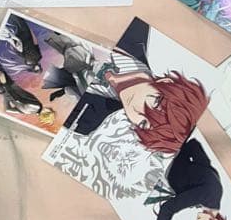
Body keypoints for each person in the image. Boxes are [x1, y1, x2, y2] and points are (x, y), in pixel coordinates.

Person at [65, 17, 208, 148]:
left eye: (144, 123)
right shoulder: (137, 30)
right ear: (166, 82)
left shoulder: (86, 123)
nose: (138, 111)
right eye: (155, 103)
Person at [151, 138, 229, 220]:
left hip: (181, 159)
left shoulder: (216, 193)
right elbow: (167, 209)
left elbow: (195, 147)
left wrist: (184, 150)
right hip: (170, 170)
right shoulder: (206, 196)